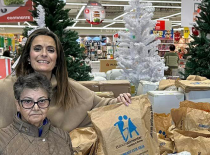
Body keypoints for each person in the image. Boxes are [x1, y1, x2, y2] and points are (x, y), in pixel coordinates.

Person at [0, 28, 131, 131]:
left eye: (50, 50)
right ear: (28, 56)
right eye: (37, 49)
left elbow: (102, 105)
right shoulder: (7, 88)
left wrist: (120, 100)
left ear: (57, 59)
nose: (44, 54)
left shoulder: (70, 89)